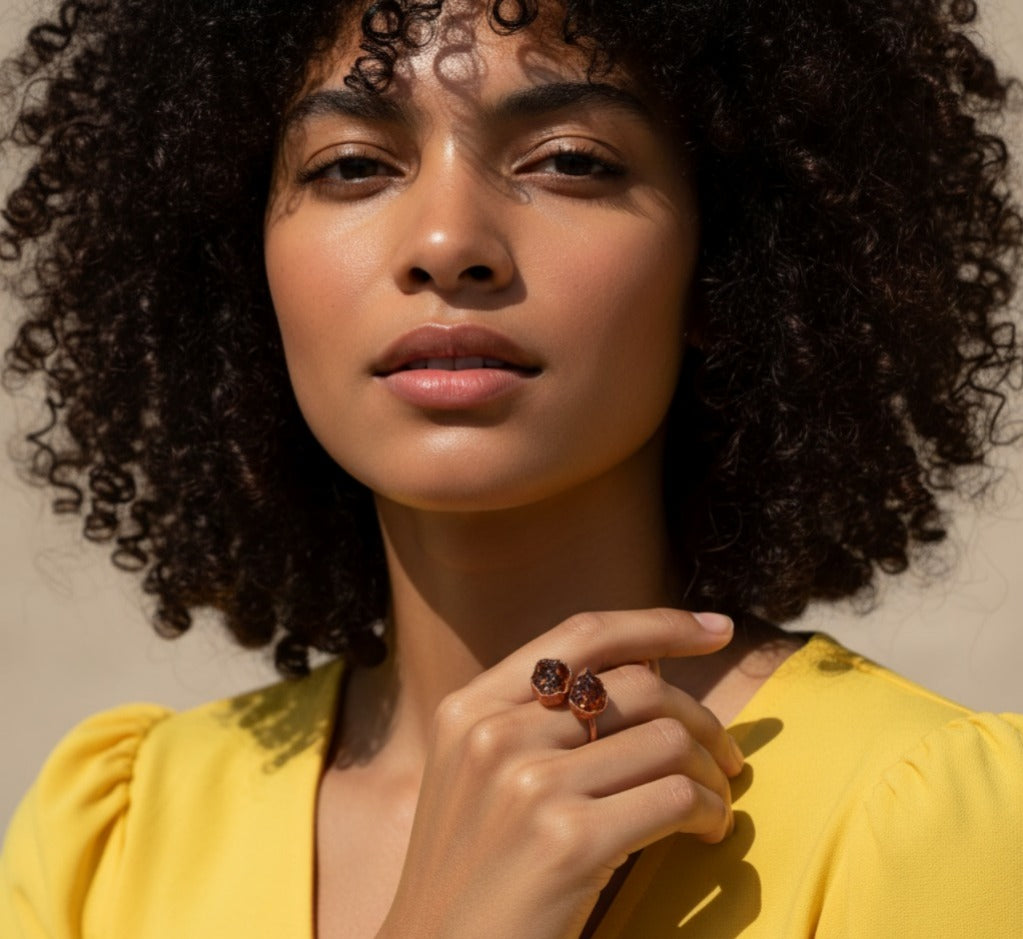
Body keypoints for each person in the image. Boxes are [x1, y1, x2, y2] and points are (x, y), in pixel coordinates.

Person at [1, 0, 1022, 936]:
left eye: (571, 161)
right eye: (350, 166)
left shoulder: (919, 813)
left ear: (725, 267)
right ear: (240, 267)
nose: (448, 244)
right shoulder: (112, 840)